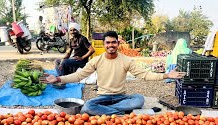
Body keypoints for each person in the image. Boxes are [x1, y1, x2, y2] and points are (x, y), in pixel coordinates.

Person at [43, 31, 186, 115]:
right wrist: (58, 78)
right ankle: (121, 114)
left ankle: (106, 111)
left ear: (118, 43)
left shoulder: (126, 61)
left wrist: (167, 75)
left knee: (139, 99)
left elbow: (145, 75)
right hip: (102, 97)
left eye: (113, 42)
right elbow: (79, 75)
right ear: (104, 44)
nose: (111, 45)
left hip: (120, 97)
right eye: (108, 43)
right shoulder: (97, 60)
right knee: (87, 106)